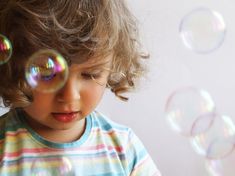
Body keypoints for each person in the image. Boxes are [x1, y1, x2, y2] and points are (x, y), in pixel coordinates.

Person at [0, 0, 161, 175]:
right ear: (12, 67)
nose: (70, 96)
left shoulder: (124, 148)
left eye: (90, 74)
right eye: (47, 73)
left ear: (114, 65)